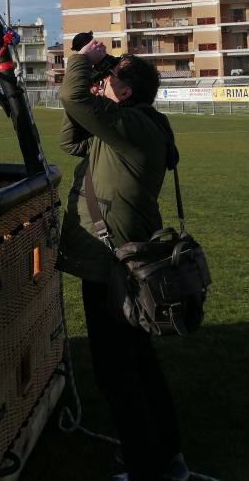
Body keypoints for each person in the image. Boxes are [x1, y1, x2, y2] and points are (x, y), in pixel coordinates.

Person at [56, 38, 188, 481]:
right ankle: (167, 455)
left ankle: (143, 465)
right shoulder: (134, 124)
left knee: (117, 372)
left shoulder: (131, 127)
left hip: (114, 261)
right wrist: (98, 84)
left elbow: (71, 97)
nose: (104, 78)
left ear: (127, 92)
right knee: (140, 363)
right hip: (126, 257)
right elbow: (72, 141)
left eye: (113, 76)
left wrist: (82, 63)